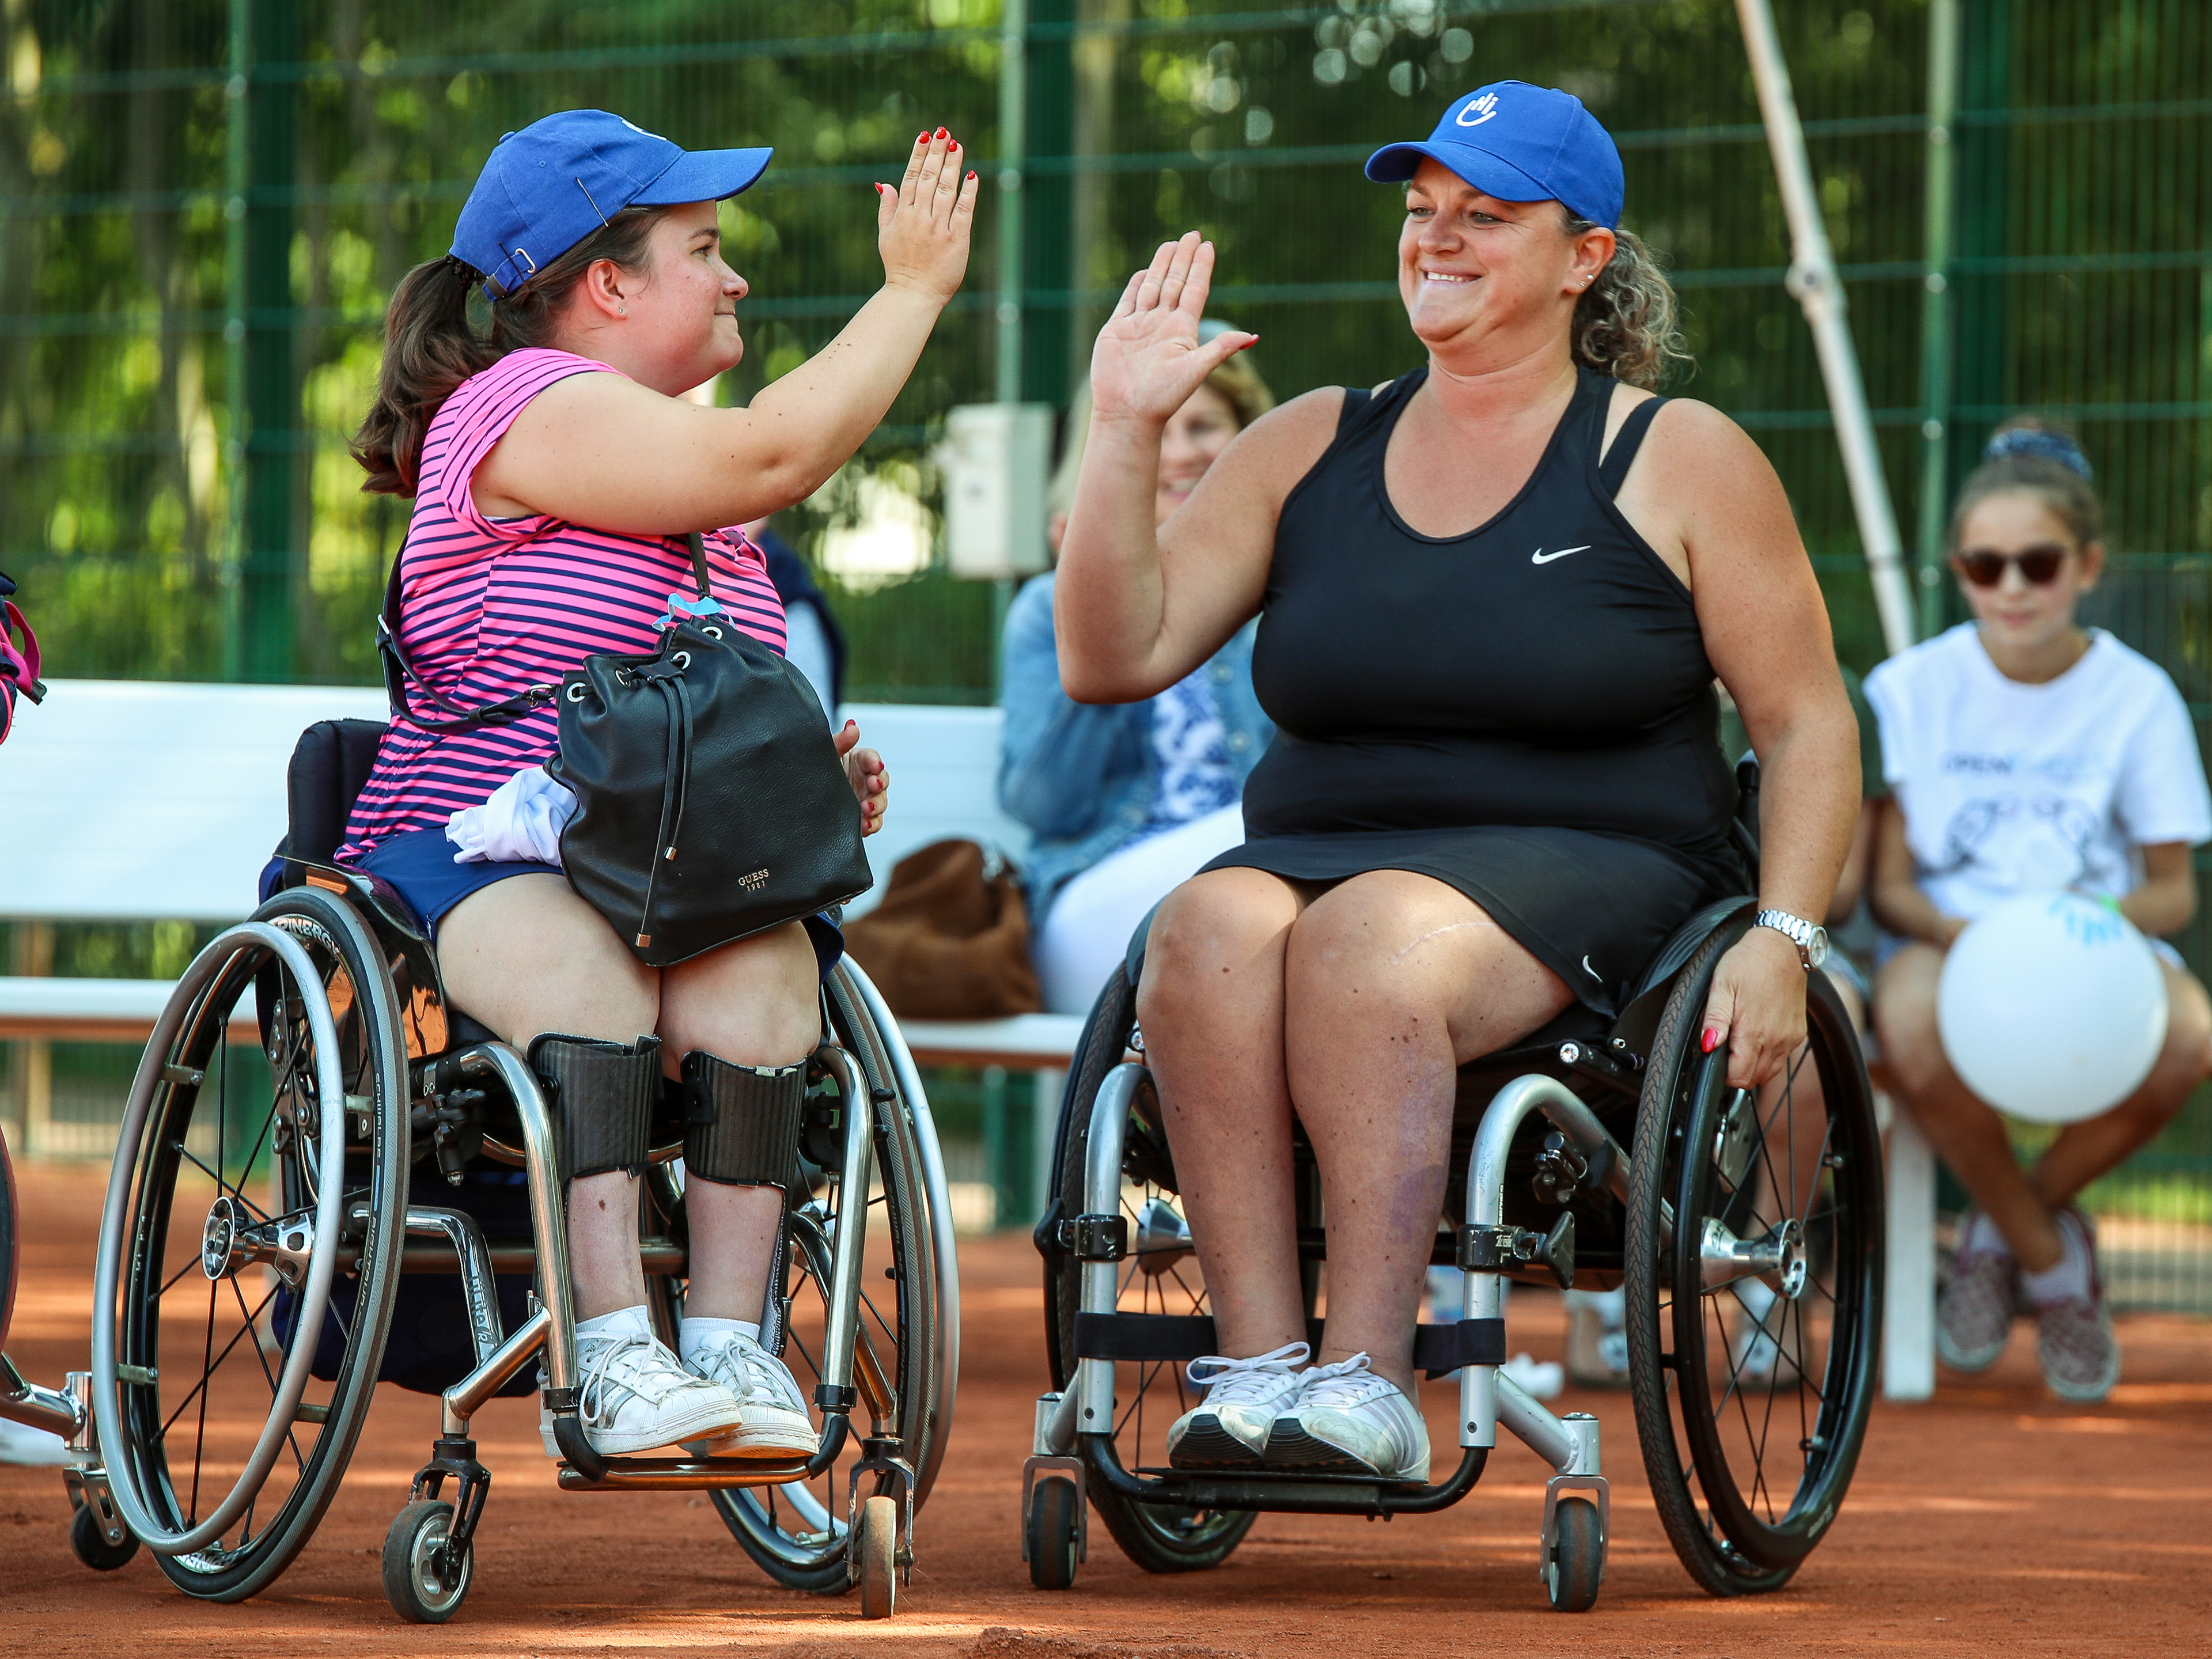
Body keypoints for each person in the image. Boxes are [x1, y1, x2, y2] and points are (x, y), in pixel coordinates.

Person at [1054, 82, 1859, 1480]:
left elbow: (1804, 724)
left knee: (1371, 935)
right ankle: (1254, 1375)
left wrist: (1783, 942)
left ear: (1582, 256)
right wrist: (1122, 427)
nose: (1438, 239)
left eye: (1486, 216)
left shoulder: (1673, 456)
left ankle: (1365, 1374)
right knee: (1194, 927)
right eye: (1423, 212)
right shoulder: (1312, 437)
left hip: (1596, 859)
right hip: (1324, 848)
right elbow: (1111, 655)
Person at [338, 111, 976, 1456]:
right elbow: (770, 450)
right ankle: (618, 1353)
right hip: (484, 845)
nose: (736, 276)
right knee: (590, 980)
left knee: (763, 977)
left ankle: (734, 1347)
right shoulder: (513, 405)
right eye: (705, 249)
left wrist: (802, 778)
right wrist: (911, 289)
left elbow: (706, 710)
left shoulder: (706, 511)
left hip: (669, 861)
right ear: (606, 282)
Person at [1867, 422, 2212, 1403]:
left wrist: (2076, 931)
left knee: (2189, 1039)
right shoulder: (1910, 690)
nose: (2011, 586)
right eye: (1985, 564)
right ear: (1958, 568)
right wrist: (1971, 937)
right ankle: (2054, 1267)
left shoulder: (2138, 699)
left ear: (2088, 566)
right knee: (1911, 1023)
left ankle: (1992, 1237)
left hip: (2092, 941)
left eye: (2039, 562)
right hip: (1951, 940)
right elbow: (1893, 888)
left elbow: (2172, 894)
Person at [998, 336, 1276, 1014]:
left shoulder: (1287, 592)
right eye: (1160, 429)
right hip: (1096, 900)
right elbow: (1043, 806)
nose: (1180, 452)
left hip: (1258, 910)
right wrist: (1097, 612)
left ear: (1249, 442)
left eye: (1204, 426)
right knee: (1279, 835)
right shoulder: (1046, 606)